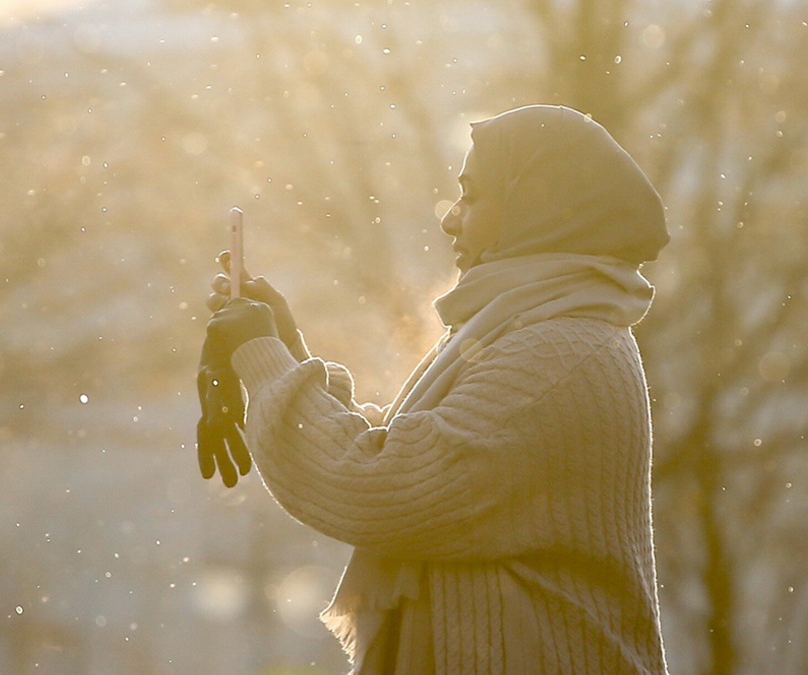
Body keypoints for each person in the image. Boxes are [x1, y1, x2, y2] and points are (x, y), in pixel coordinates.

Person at [196, 105, 671, 675]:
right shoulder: (536, 330)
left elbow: (385, 485)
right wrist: (288, 350)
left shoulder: (557, 353)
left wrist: (265, 361)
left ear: (534, 210)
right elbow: (416, 457)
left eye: (471, 197)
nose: (451, 219)